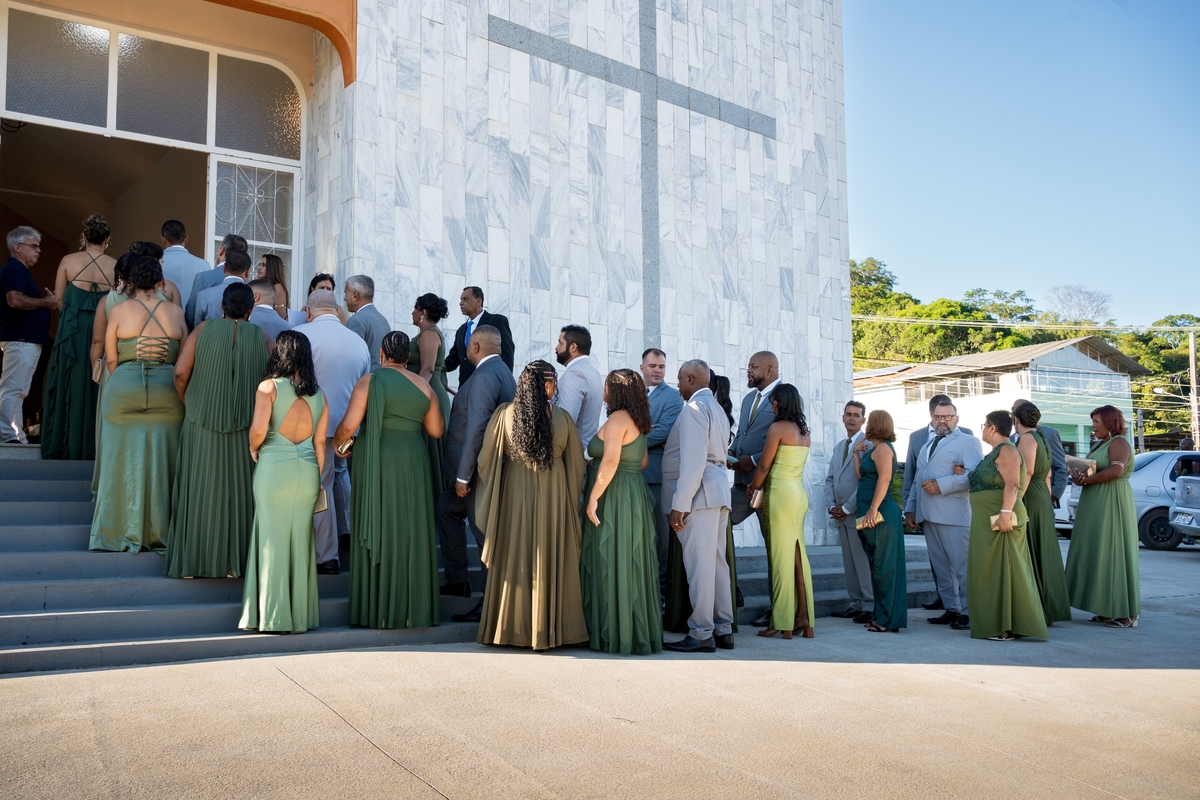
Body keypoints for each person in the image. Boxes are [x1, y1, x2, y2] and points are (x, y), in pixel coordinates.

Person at [473, 360, 589, 650]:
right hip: (553, 494)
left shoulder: (505, 415)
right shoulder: (562, 418)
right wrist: (570, 500)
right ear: (546, 384)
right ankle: (553, 630)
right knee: (550, 552)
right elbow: (576, 466)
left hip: (515, 492)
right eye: (553, 382)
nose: (555, 387)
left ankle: (510, 629)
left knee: (516, 552)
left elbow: (487, 460)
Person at [336, 331, 444, 629]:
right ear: (407, 357)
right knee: (410, 529)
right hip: (414, 463)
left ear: (382, 354)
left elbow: (348, 426)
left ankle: (376, 608)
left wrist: (337, 445)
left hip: (378, 460)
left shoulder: (370, 381)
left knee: (380, 522)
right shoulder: (423, 386)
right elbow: (436, 430)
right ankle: (411, 609)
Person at [165, 283, 271, 579]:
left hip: (201, 423)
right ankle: (237, 563)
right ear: (251, 310)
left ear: (222, 307)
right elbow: (274, 383)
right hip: (247, 430)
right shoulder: (262, 337)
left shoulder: (202, 330)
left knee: (200, 490)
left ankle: (194, 563)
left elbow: (180, 373)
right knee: (241, 496)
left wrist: (190, 403)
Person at [89, 257, 187, 552]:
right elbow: (183, 362)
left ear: (131, 282)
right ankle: (160, 530)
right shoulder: (176, 312)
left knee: (119, 460)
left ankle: (117, 530)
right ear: (161, 282)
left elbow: (111, 359)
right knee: (164, 461)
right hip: (167, 391)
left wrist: (127, 380)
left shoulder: (119, 310)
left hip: (124, 388)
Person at [238, 331, 327, 633]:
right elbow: (320, 443)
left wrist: (253, 448)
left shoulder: (269, 387)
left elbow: (258, 430)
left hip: (274, 469)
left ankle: (272, 616)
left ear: (280, 353)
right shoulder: (320, 395)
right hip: (308, 472)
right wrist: (318, 479)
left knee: (270, 540)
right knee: (301, 541)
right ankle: (299, 616)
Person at [435, 325, 516, 615]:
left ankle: (490, 604)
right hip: (480, 470)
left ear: (476, 347)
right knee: (446, 508)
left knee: (483, 534)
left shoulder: (484, 375)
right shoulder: (503, 372)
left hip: (477, 473)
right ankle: (458, 580)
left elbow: (477, 427)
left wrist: (463, 475)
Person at [581, 368, 662, 655]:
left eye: (607, 386)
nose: (604, 391)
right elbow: (642, 462)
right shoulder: (639, 420)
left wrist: (593, 497)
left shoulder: (617, 419)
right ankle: (632, 632)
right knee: (629, 559)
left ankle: (612, 634)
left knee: (609, 557)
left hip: (612, 494)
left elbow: (611, 461)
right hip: (633, 493)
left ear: (616, 391)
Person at [292, 289, 372, 574]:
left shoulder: (300, 335)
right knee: (339, 474)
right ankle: (345, 531)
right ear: (337, 310)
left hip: (311, 426)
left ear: (308, 311)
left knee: (320, 486)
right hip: (348, 427)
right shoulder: (358, 343)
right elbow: (364, 386)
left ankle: (327, 555)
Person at [662, 359, 734, 653]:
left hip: (699, 493)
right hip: (716, 490)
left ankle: (702, 632)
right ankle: (723, 628)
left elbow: (693, 461)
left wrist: (680, 504)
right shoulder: (716, 407)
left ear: (691, 379)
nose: (678, 384)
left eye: (680, 379)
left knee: (700, 567)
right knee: (716, 564)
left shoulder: (694, 408)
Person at [965, 411, 1049, 641]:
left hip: (1001, 519)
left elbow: (1012, 485)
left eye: (984, 425)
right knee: (989, 570)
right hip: (986, 521)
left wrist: (1005, 514)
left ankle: (1006, 625)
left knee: (1005, 570)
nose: (983, 430)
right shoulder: (993, 453)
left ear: (992, 428)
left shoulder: (1008, 450)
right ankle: (995, 622)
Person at [903, 400, 982, 631]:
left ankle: (971, 612)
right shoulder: (927, 444)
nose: (942, 421)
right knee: (942, 569)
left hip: (954, 514)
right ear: (932, 417)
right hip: (928, 515)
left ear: (957, 418)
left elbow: (972, 476)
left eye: (947, 417)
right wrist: (911, 508)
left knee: (963, 567)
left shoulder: (969, 441)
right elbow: (918, 478)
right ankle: (952, 608)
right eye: (938, 417)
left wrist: (942, 484)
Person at [41, 215, 114, 459]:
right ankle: (94, 446)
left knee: (68, 380)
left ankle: (64, 443)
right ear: (107, 240)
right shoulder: (115, 266)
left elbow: (59, 301)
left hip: (71, 331)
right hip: (102, 329)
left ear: (84, 237)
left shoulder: (68, 261)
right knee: (98, 381)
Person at [745, 384, 815, 639]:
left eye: (773, 401)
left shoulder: (778, 428)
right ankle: (804, 618)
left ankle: (782, 621)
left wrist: (753, 487)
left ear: (780, 403)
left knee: (780, 559)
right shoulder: (804, 432)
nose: (771, 405)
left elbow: (764, 466)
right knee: (798, 557)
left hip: (781, 495)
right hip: (799, 495)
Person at [1066, 405, 1140, 628]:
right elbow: (1094, 469)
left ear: (1109, 422)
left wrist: (1087, 480)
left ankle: (1127, 613)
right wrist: (1080, 476)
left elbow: (1116, 470)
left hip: (1112, 500)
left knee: (1114, 551)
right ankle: (1106, 608)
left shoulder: (1119, 442)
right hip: (1095, 500)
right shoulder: (1101, 443)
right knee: (1098, 552)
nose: (1093, 426)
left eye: (1097, 421)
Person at [727, 351, 779, 625]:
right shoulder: (749, 398)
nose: (748, 370)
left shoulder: (784, 396)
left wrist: (755, 461)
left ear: (770, 370)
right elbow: (743, 433)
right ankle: (729, 592)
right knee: (719, 523)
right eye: (748, 366)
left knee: (775, 546)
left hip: (768, 486)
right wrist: (732, 451)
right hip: (742, 485)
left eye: (754, 366)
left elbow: (787, 439)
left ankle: (779, 609)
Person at [1013, 402, 1072, 624]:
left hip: (1030, 495)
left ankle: (1038, 608)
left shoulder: (1027, 438)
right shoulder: (1041, 437)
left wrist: (1016, 500)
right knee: (1043, 550)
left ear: (1016, 420)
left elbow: (1027, 472)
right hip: (1042, 496)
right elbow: (1047, 475)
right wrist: (1047, 501)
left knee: (1032, 549)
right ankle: (1049, 608)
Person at [0, 226, 55, 444]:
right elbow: (14, 300)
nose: (38, 250)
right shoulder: (14, 269)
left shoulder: (18, 270)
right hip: (21, 339)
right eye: (34, 246)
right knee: (13, 387)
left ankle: (16, 434)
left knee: (18, 389)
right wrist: (46, 303)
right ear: (17, 247)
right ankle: (8, 434)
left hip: (24, 339)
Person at [853, 410, 907, 632]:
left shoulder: (884, 448)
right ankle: (880, 615)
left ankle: (887, 620)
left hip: (881, 513)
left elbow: (884, 479)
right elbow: (862, 478)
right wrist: (856, 455)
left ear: (876, 424)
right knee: (876, 565)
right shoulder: (873, 449)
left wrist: (873, 508)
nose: (865, 425)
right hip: (870, 511)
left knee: (884, 567)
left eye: (869, 422)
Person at [825, 401, 875, 624]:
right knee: (849, 562)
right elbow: (830, 479)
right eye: (848, 414)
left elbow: (866, 482)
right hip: (840, 515)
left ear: (863, 420)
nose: (852, 418)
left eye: (856, 415)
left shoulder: (869, 445)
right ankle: (856, 603)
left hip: (857, 513)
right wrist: (831, 506)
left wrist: (847, 507)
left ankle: (869, 605)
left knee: (862, 561)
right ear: (843, 418)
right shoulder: (839, 447)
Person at [640, 348, 683, 597]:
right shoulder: (635, 393)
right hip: (632, 475)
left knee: (661, 537)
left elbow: (663, 431)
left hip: (657, 477)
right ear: (642, 368)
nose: (658, 370)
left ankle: (662, 593)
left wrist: (627, 438)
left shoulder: (673, 397)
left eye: (662, 366)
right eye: (653, 366)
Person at [408, 293, 453, 492]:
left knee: (430, 448)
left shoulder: (429, 334)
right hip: (429, 391)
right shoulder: (428, 333)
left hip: (427, 394)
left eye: (415, 309)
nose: (412, 313)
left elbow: (427, 369)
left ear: (423, 312)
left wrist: (414, 398)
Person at [443, 286, 514, 384]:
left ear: (478, 301)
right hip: (465, 386)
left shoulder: (496, 321)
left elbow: (507, 354)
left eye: (465, 299)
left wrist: (504, 382)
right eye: (461, 299)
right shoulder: (461, 330)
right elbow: (453, 360)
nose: (461, 303)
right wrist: (430, 366)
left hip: (489, 384)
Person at [553, 324, 604, 449]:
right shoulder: (593, 372)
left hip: (570, 453)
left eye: (560, 343)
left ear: (573, 347)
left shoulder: (574, 374)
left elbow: (565, 420)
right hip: (583, 451)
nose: (556, 347)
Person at [1012, 399, 1069, 508]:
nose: (1012, 414)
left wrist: (1053, 496)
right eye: (1012, 410)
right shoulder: (1011, 438)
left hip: (1036, 496)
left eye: (1015, 410)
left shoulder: (1049, 434)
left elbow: (1061, 467)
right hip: (1022, 495)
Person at [186, 233, 246, 328]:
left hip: (207, 333)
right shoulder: (250, 285)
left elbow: (191, 315)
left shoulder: (203, 278)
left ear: (222, 250)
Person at [160, 220, 209, 311]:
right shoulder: (204, 265)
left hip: (164, 317)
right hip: (195, 319)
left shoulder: (154, 264)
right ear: (186, 239)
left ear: (163, 239)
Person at [193, 250, 252, 325]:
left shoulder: (203, 295)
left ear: (224, 268)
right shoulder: (254, 296)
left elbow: (198, 327)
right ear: (247, 272)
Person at [345, 275, 391, 369]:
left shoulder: (356, 320)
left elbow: (351, 359)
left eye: (346, 293)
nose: (344, 298)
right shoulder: (383, 320)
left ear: (355, 296)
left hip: (364, 377)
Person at [257, 253, 290, 320]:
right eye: (259, 264)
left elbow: (281, 315)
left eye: (263, 265)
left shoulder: (277, 287)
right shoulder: (261, 285)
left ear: (272, 268)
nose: (259, 268)